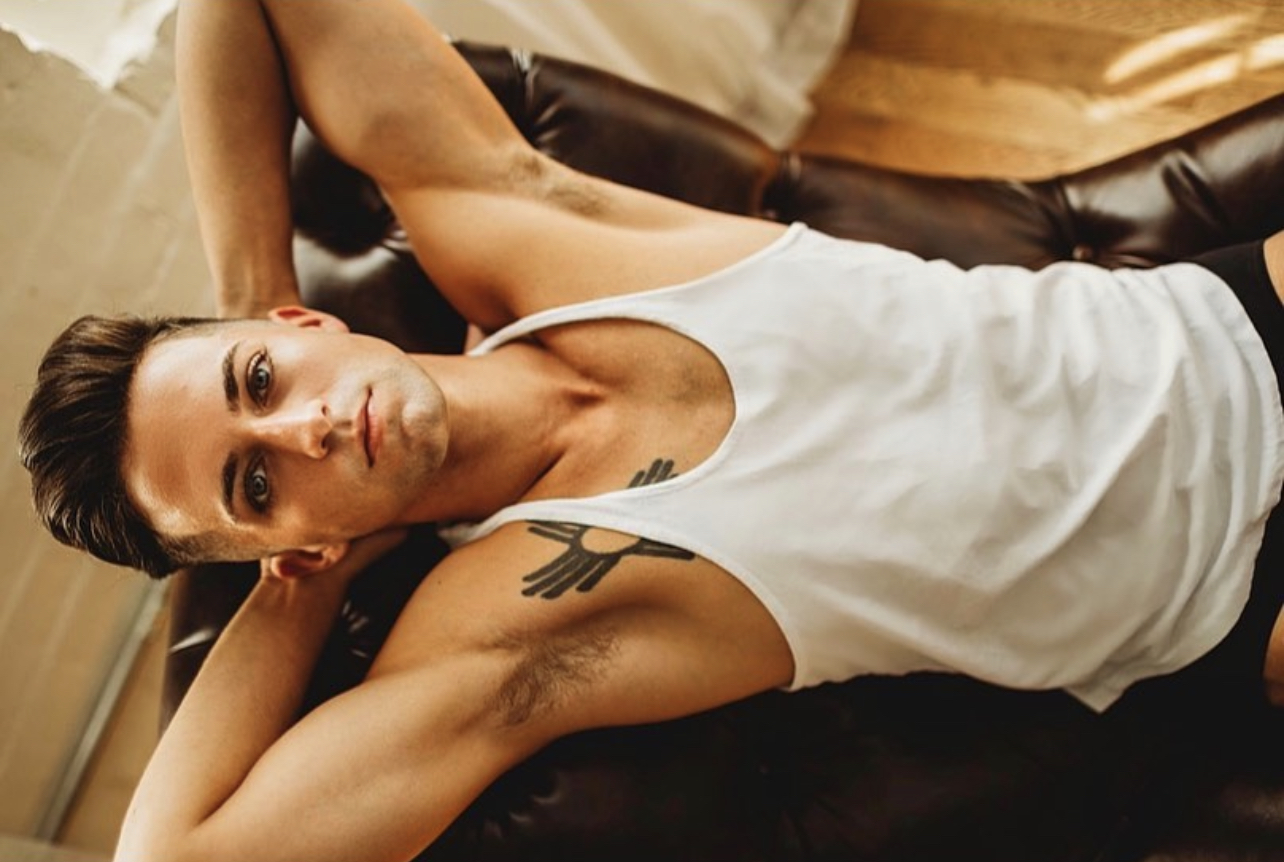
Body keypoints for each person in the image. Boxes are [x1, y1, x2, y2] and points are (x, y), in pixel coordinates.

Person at [15, 1, 1284, 861]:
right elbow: (174, 855)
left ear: (297, 325)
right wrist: (292, 585)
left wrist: (250, 291)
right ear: (284, 541)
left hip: (1228, 319)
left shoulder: (526, 229)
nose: (307, 427)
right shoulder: (503, 632)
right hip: (1239, 589)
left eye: (258, 379)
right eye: (253, 483)